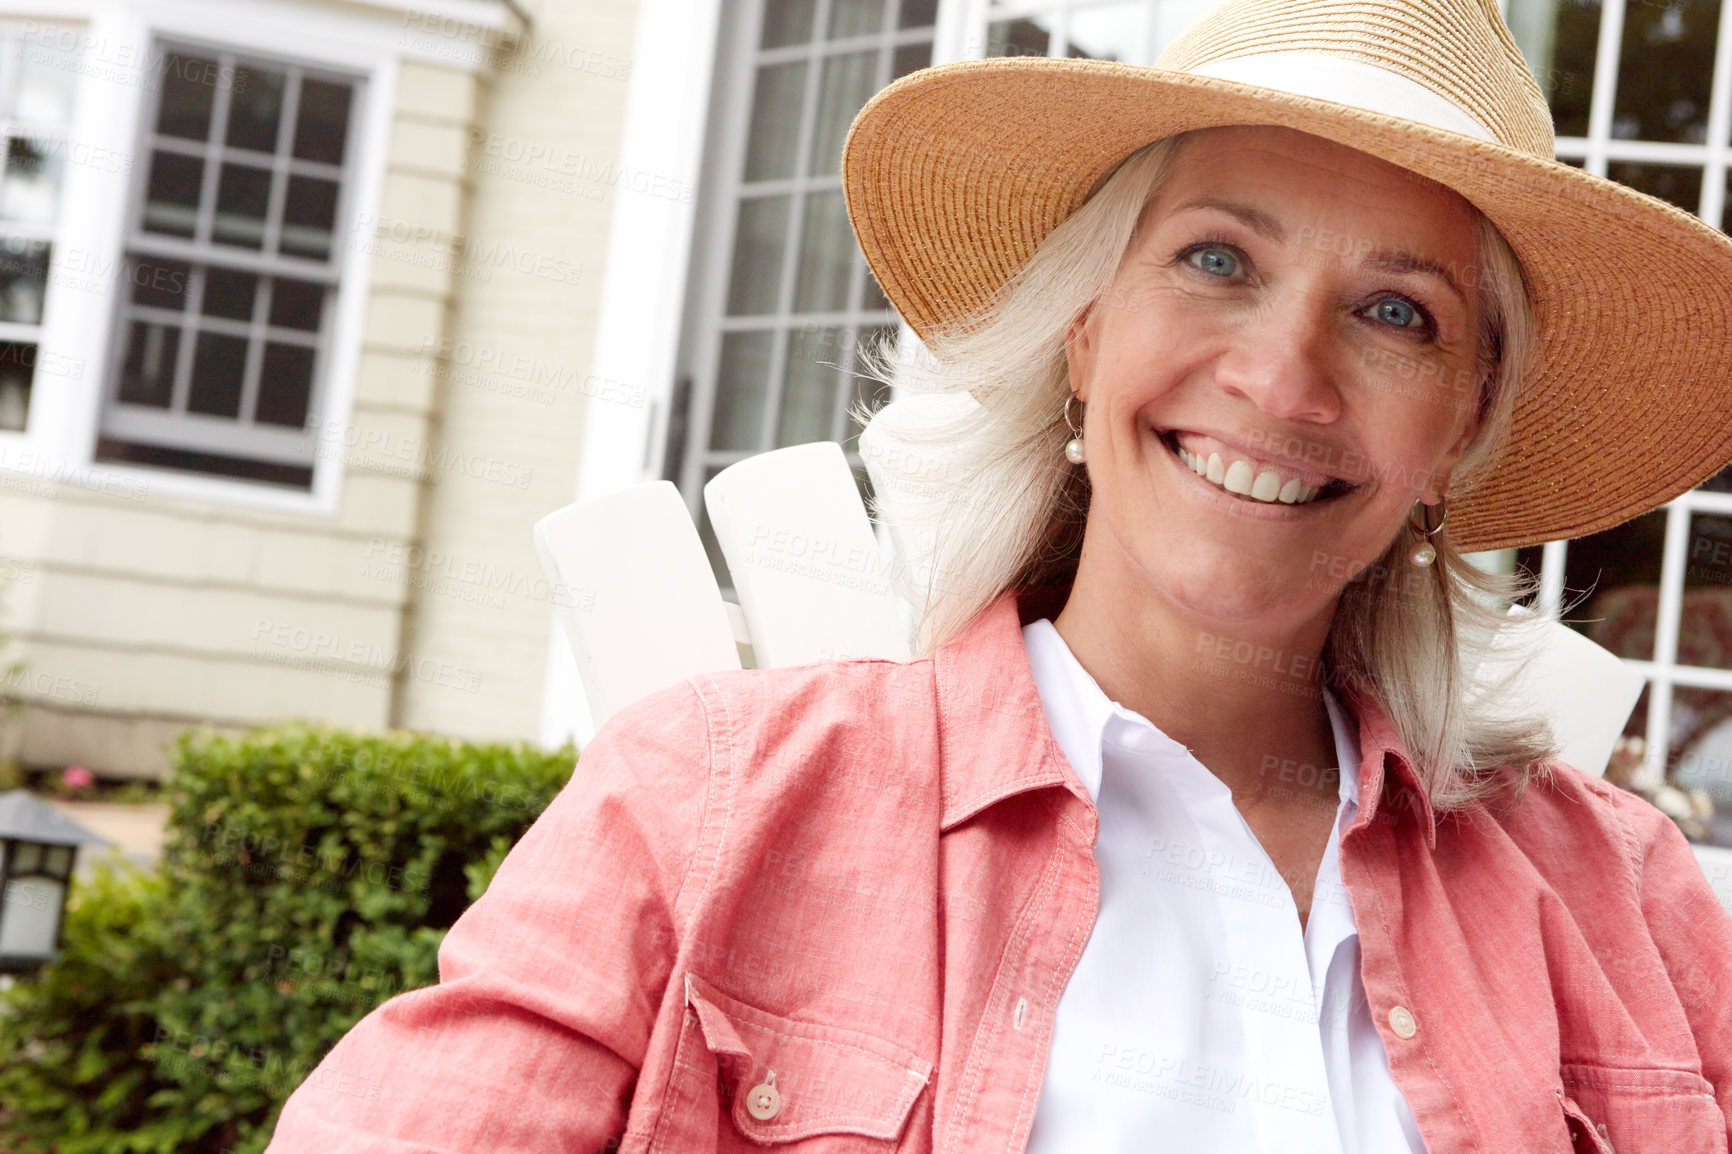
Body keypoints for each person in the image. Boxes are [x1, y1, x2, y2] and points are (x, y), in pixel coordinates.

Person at [266, 0, 1732, 1150]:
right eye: (1219, 260)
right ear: (1085, 329)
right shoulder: (711, 811)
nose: (1283, 376)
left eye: (1397, 312)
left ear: (1462, 430)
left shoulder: (1625, 903)